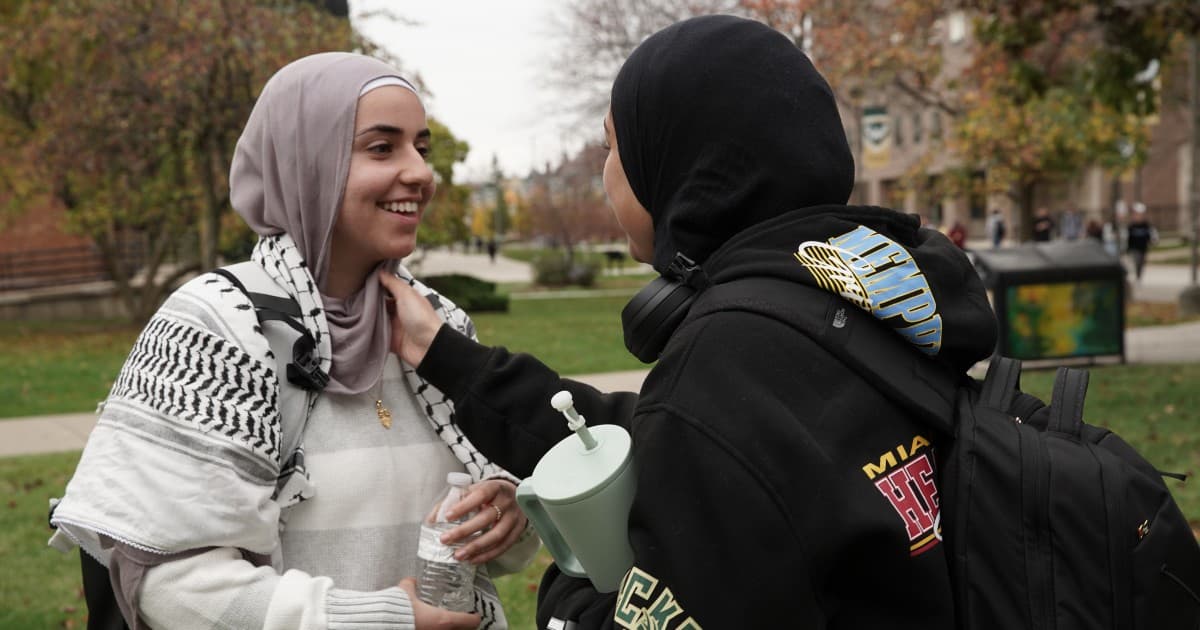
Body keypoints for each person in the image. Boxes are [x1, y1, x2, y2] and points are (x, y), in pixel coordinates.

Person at [381, 15, 997, 629]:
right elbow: (675, 441)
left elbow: (693, 454)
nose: (606, 174)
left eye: (611, 148)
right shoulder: (865, 298)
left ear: (674, 160)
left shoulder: (727, 360)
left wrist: (578, 577)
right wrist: (451, 357)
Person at [49, 52, 537, 629]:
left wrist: (509, 514)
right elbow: (171, 585)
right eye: (382, 148)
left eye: (421, 148)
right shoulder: (215, 326)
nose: (420, 173)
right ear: (306, 164)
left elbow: (487, 539)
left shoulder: (438, 327)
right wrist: (383, 619)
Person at [1126, 202, 1158, 281]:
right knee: (1136, 260)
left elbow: (1150, 235)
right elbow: (1128, 237)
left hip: (1143, 248)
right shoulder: (1131, 226)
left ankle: (1139, 276)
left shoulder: (1146, 225)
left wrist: (1152, 241)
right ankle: (1137, 276)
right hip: (1134, 248)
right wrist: (1128, 248)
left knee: (1141, 263)